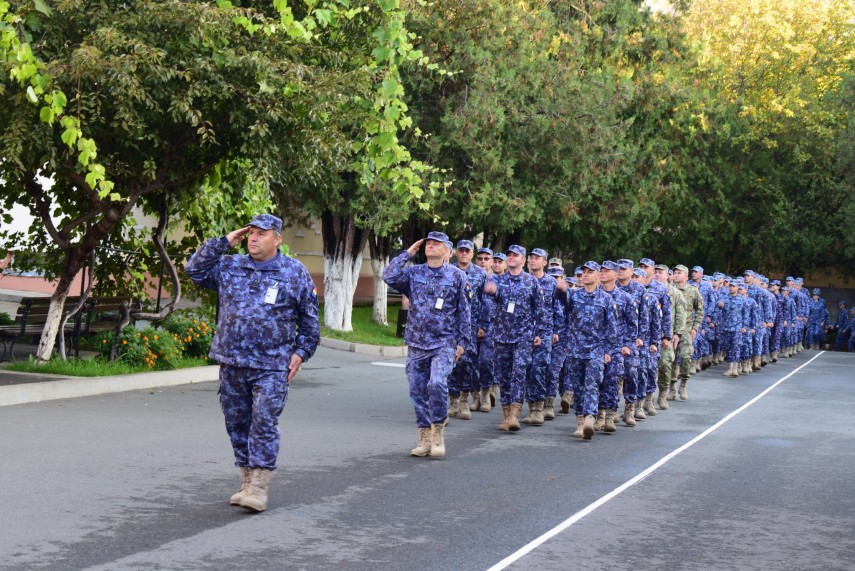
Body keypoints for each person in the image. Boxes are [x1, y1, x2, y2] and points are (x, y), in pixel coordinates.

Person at [184, 213, 320, 513]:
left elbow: (310, 322)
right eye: (251, 233)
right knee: (237, 423)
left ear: (277, 238)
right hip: (232, 361)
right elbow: (193, 269)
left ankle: (259, 486)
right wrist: (225, 241)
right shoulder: (231, 266)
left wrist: (301, 353)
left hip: (272, 365)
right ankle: (246, 479)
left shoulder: (294, 272)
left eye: (262, 233)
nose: (254, 238)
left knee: (263, 420)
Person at [383, 232, 471, 458]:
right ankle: (424, 437)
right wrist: (408, 253)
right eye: (428, 243)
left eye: (436, 244)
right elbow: (389, 276)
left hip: (444, 342)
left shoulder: (457, 276)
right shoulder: (414, 273)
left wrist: (463, 341)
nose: (430, 246)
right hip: (417, 342)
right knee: (418, 391)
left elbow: (464, 311)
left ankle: (438, 432)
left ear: (446, 250)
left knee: (438, 383)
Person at [482, 245, 548, 431]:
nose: (511, 258)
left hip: (523, 337)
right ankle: (506, 414)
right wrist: (492, 292)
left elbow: (540, 310)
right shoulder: (497, 280)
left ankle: (514, 415)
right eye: (509, 255)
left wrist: (539, 333)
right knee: (503, 377)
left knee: (518, 374)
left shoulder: (531, 282)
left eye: (515, 255)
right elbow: (489, 308)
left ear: (523, 260)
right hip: (501, 336)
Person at [449, 240, 489, 418]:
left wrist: (483, 325)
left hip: (471, 326)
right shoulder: (448, 271)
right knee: (451, 363)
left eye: (467, 251)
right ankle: (453, 400)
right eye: (461, 251)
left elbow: (486, 301)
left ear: (472, 254)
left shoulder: (480, 274)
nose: (464, 254)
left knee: (467, 363)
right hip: (450, 326)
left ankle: (464, 400)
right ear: (456, 253)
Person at [522, 248, 558, 425]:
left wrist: (556, 331)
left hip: (544, 333)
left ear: (545, 262)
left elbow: (558, 310)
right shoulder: (523, 281)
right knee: (527, 369)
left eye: (538, 258)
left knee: (539, 368)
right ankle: (531, 407)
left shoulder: (552, 283)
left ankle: (538, 408)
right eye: (531, 258)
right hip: (523, 332)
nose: (533, 261)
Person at [671, 265, 704, 399]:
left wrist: (695, 327)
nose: (676, 275)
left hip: (686, 330)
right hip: (671, 330)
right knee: (670, 360)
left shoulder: (693, 291)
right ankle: (671, 388)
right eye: (674, 273)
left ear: (686, 276)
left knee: (685, 357)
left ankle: (683, 384)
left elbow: (700, 311)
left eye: (679, 273)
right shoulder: (669, 290)